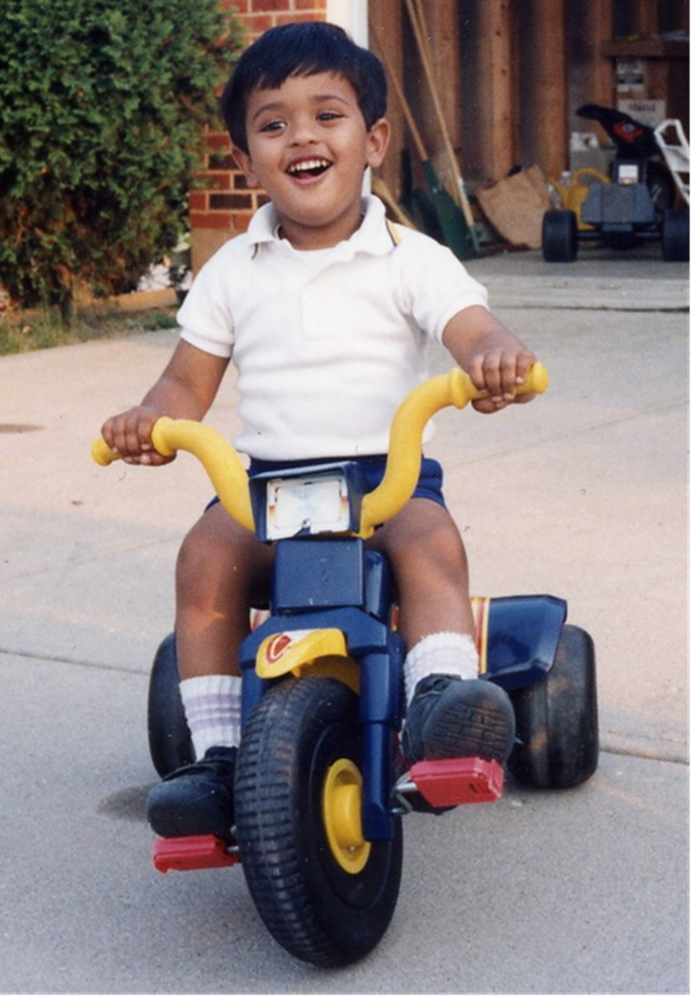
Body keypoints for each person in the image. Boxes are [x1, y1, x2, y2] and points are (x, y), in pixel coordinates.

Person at [101, 21, 538, 842]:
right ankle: (220, 758)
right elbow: (184, 383)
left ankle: (441, 696)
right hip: (267, 488)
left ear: (372, 140)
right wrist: (152, 421)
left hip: (385, 477)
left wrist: (495, 358)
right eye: (272, 124)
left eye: (326, 115)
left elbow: (471, 327)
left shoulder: (412, 258)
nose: (300, 135)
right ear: (246, 161)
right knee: (204, 559)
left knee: (429, 544)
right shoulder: (232, 269)